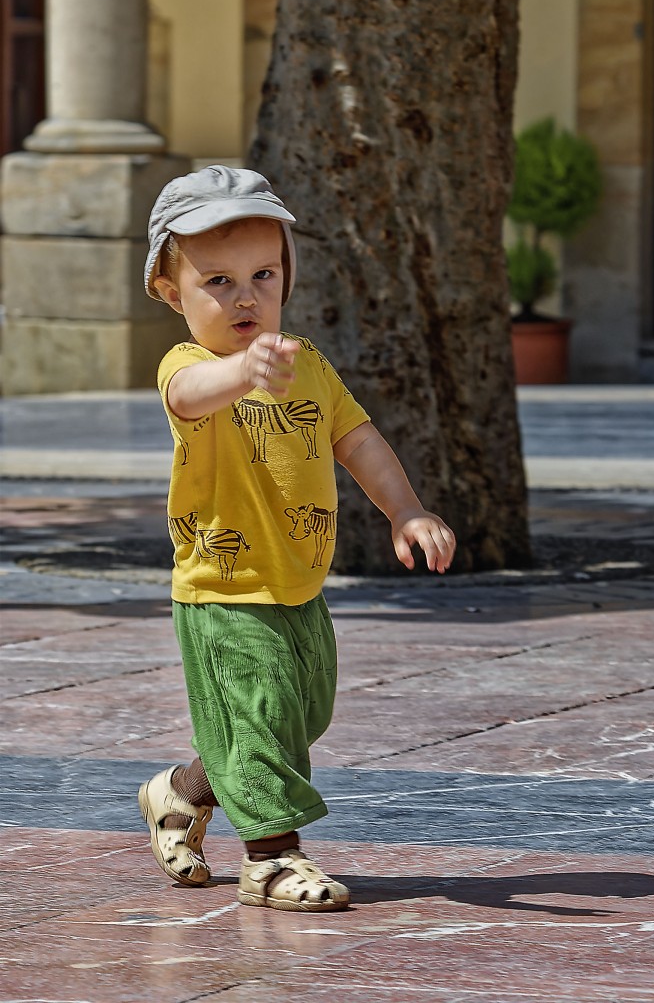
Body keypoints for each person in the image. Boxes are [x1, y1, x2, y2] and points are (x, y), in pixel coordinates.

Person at [138, 165, 455, 912]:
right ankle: (273, 863)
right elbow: (190, 399)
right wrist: (243, 372)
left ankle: (180, 794)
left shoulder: (305, 362)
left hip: (299, 583)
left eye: (263, 275)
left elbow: (360, 440)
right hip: (223, 591)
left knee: (296, 717)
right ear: (168, 290)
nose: (245, 296)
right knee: (261, 722)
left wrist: (405, 510)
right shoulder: (188, 367)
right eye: (217, 280)